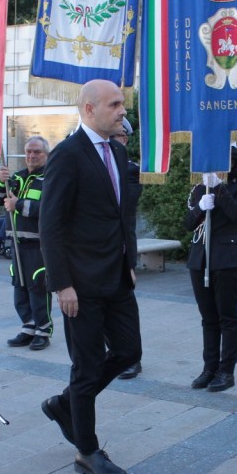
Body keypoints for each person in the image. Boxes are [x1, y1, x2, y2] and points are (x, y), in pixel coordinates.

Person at [39, 79, 141, 474]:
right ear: (88, 109)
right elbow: (51, 225)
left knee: (128, 351)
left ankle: (66, 405)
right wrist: (62, 284)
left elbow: (122, 216)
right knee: (88, 367)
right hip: (79, 285)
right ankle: (86, 450)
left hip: (116, 277)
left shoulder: (116, 151)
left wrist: (129, 261)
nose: (122, 111)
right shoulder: (67, 155)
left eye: (122, 104)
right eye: (114, 104)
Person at [184, 147, 237, 393]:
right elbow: (188, 224)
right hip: (199, 260)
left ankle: (226, 371)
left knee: (227, 318)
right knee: (208, 319)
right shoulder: (199, 189)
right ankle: (209, 368)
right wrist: (201, 206)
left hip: (226, 259)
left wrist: (220, 187)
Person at [0, 136, 53, 350]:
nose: (32, 156)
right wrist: (2, 182)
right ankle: (28, 326)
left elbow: (48, 209)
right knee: (19, 287)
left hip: (37, 244)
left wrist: (17, 204)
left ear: (46, 154)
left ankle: (43, 330)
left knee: (38, 286)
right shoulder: (18, 177)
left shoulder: (50, 178)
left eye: (37, 152)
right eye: (29, 151)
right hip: (16, 243)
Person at [113, 119, 144, 380]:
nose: (116, 139)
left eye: (121, 136)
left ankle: (133, 358)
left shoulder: (131, 169)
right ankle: (114, 354)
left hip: (122, 248)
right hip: (95, 251)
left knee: (125, 308)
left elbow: (126, 203)